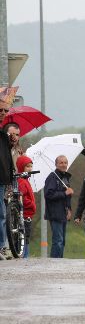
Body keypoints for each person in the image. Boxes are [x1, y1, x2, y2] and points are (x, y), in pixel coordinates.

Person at [44, 155, 74, 258]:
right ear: (56, 164)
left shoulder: (65, 177)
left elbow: (67, 197)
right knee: (58, 240)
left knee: (62, 241)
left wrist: (69, 209)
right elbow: (48, 195)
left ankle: (59, 262)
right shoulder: (52, 177)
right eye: (61, 163)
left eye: (65, 162)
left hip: (64, 213)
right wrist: (64, 193)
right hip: (55, 213)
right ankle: (54, 263)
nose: (63, 165)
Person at [0, 95, 15, 261]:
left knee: (2, 214)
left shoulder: (4, 135)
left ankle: (2, 247)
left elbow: (7, 159)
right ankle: (2, 247)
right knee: (1, 214)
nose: (3, 113)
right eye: (0, 110)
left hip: (3, 180)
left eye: (5, 110)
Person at [16, 156, 36, 258]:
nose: (30, 169)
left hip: (28, 214)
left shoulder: (26, 180)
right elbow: (21, 197)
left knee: (26, 235)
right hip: (25, 214)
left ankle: (25, 255)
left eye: (31, 166)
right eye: (27, 166)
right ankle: (25, 256)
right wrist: (31, 204)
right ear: (21, 167)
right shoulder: (22, 182)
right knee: (24, 236)